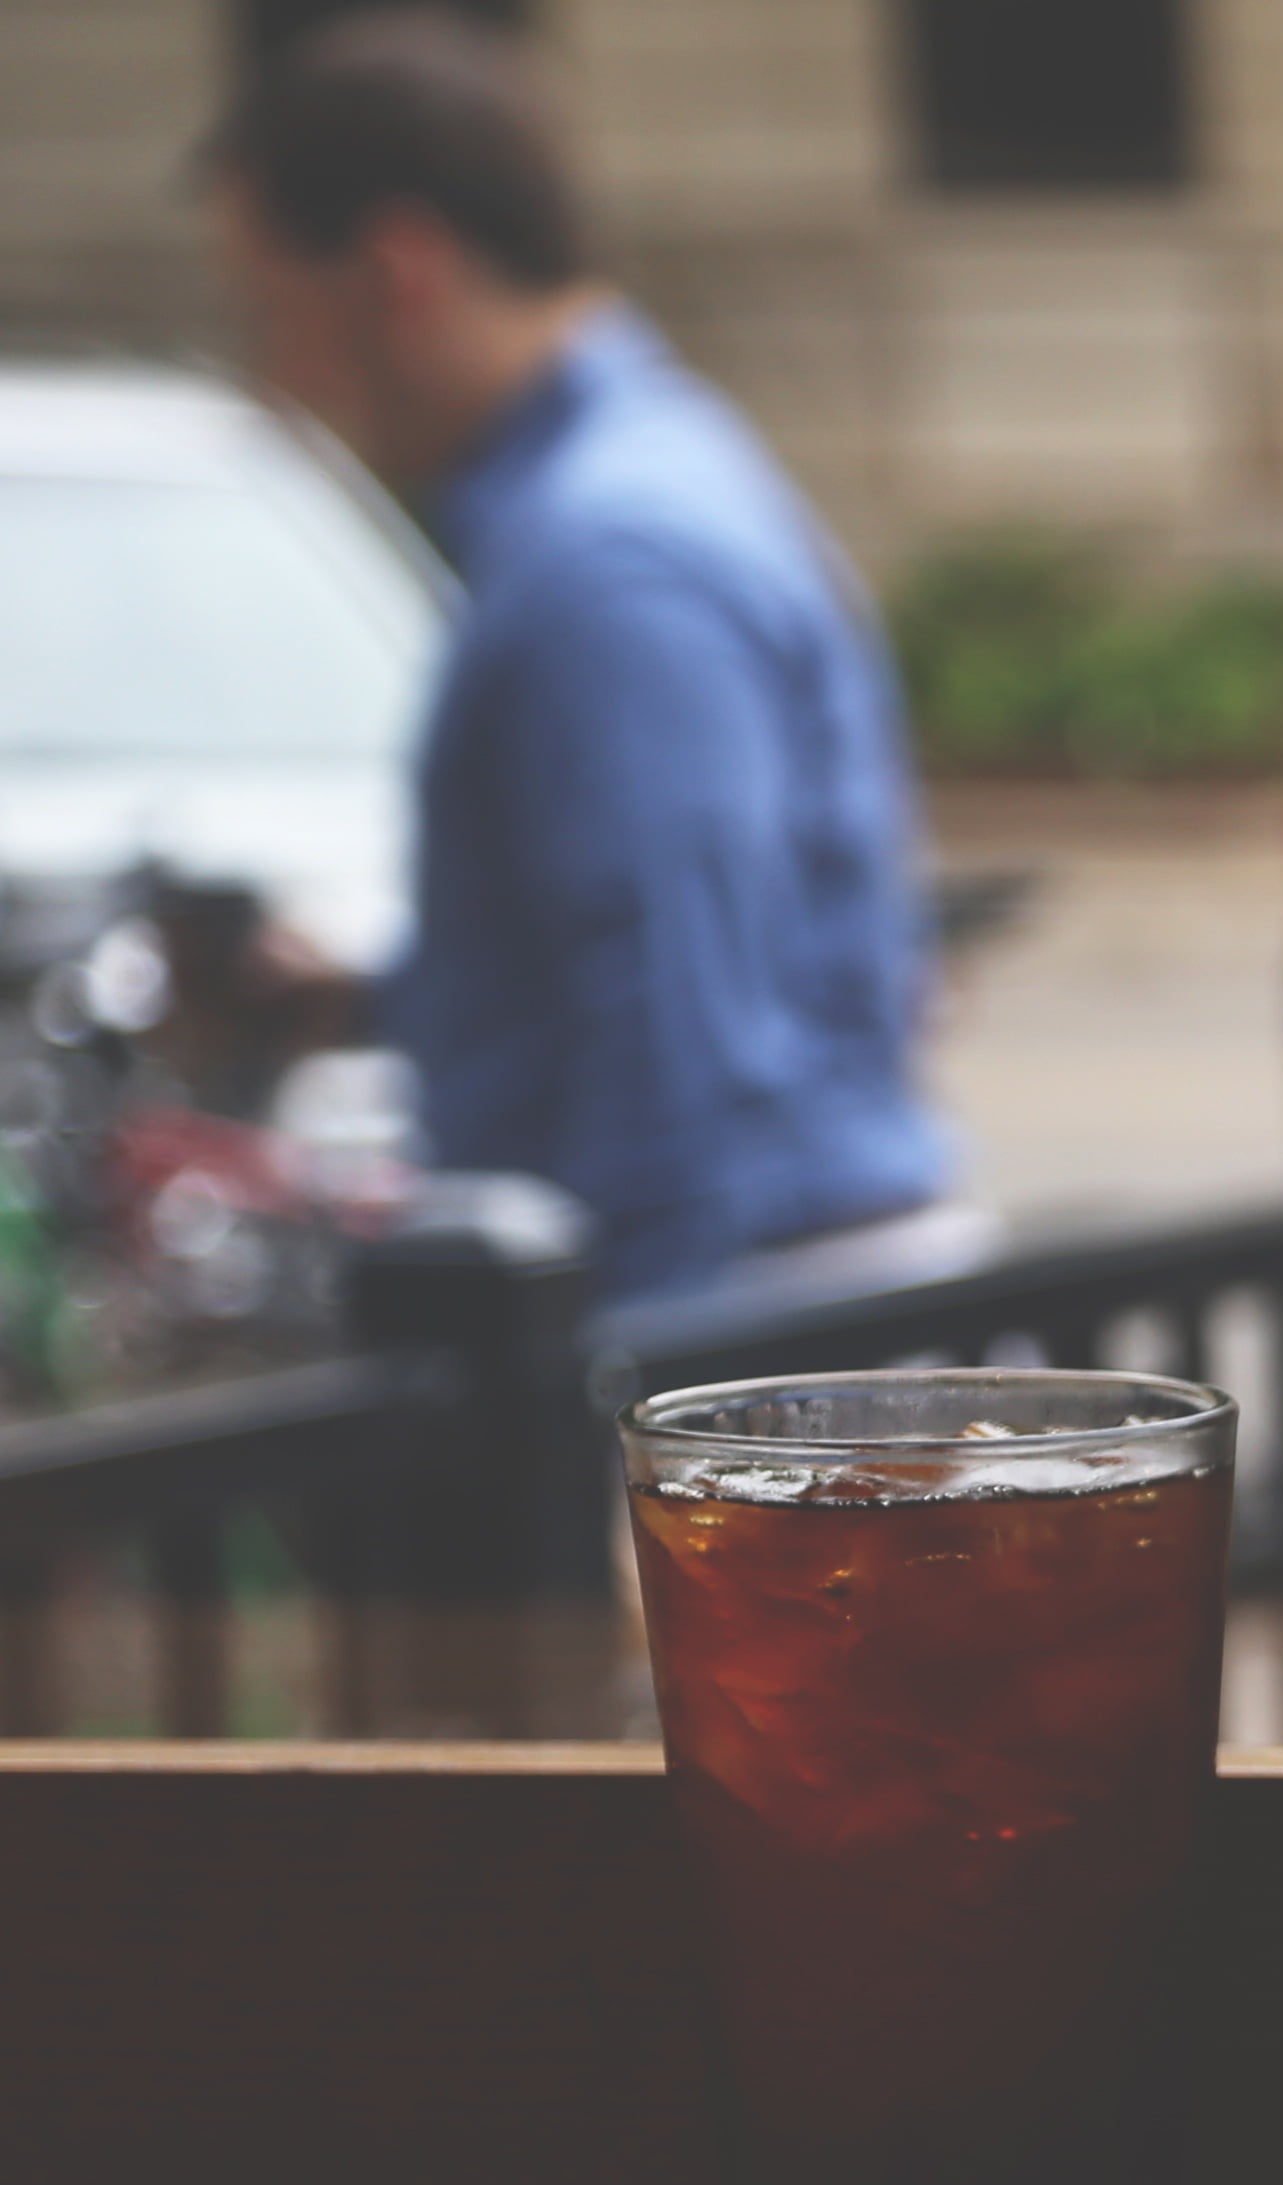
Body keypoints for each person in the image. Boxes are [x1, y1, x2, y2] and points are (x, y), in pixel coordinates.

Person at [202, 11, 948, 1301]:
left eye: (276, 313)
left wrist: (611, 1433)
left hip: (750, 1353)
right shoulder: (620, 493)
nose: (275, 379)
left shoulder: (612, 563)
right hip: (780, 1326)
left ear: (398, 274)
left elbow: (680, 1050)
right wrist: (388, 997)